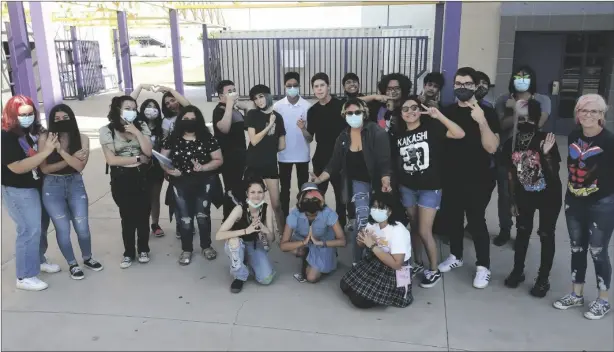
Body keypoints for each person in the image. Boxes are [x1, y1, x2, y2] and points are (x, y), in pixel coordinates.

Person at [391, 96, 465, 288]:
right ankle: (418, 263)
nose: (410, 112)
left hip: (429, 188)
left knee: (424, 230)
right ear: (400, 114)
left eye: (414, 107)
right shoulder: (398, 135)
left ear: (420, 109)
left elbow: (459, 134)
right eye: (405, 109)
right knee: (414, 229)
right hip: (407, 188)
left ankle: (433, 269)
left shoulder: (432, 128)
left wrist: (439, 116)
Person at [437, 67, 500, 289]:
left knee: (476, 221)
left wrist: (481, 121)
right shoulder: (447, 111)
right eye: (458, 83)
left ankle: (483, 266)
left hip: (479, 177)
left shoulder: (488, 112)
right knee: (453, 218)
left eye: (467, 84)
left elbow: (492, 147)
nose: (462, 87)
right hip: (452, 176)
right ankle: (456, 255)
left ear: (476, 86)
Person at [554, 94, 614, 320]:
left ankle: (603, 299)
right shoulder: (573, 136)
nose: (589, 115)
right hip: (574, 201)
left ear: (602, 115)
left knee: (598, 251)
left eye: (595, 112)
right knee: (577, 248)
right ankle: (576, 293)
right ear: (577, 114)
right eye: (584, 111)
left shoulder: (609, 141)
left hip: (602, 204)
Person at [312, 98, 392, 265]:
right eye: (350, 113)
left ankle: (384, 258)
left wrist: (386, 179)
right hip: (358, 184)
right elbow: (334, 163)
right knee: (361, 220)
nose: (354, 115)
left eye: (357, 112)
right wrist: (319, 178)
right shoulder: (343, 137)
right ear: (344, 115)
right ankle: (359, 261)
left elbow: (385, 161)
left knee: (381, 220)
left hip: (379, 183)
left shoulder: (376, 132)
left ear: (364, 113)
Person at [502, 100, 561, 298]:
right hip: (524, 195)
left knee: (546, 234)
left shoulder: (546, 138)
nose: (525, 121)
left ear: (537, 119)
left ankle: (543, 278)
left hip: (548, 196)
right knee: (522, 231)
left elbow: (554, 175)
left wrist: (546, 155)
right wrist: (512, 200)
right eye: (521, 117)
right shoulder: (512, 142)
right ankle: (518, 271)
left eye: (529, 117)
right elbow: (510, 173)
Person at [1, 95, 61, 291]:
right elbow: (17, 167)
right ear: (12, 115)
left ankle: (37, 260)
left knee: (40, 227)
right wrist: (45, 152)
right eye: (22, 115)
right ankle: (25, 275)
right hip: (18, 190)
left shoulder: (30, 131)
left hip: (35, 186)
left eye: (30, 113)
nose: (27, 117)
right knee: (28, 229)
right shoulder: (6, 136)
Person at [39, 104, 104, 280]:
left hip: (75, 184)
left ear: (71, 118)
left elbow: (80, 166)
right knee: (63, 229)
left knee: (82, 227)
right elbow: (44, 169)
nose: (61, 121)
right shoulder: (45, 137)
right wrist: (71, 159)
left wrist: (60, 151)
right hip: (52, 187)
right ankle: (72, 264)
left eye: (65, 117)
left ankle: (87, 257)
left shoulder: (82, 138)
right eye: (57, 119)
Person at [493, 65, 552, 246]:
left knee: (525, 194)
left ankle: (522, 232)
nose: (522, 80)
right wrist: (519, 110)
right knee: (505, 195)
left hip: (530, 156)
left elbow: (538, 123)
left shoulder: (543, 100)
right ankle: (505, 229)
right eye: (518, 77)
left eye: (525, 77)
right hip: (506, 154)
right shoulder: (504, 100)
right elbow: (501, 125)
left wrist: (519, 107)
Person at [160, 106, 223, 264]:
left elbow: (218, 160)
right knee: (185, 219)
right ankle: (186, 249)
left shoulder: (207, 138)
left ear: (199, 121)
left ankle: (206, 246)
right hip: (180, 185)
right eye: (186, 119)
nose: (189, 123)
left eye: (193, 120)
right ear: (180, 120)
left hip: (203, 183)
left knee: (203, 217)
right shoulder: (172, 139)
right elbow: (162, 159)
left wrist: (203, 167)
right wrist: (170, 170)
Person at [99, 95, 153, 269]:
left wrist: (137, 132)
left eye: (134, 108)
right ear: (117, 109)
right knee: (127, 216)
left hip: (142, 176)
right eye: (127, 108)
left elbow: (149, 152)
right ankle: (129, 252)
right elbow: (112, 160)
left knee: (144, 214)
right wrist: (137, 158)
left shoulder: (141, 126)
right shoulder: (107, 130)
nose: (131, 111)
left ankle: (143, 248)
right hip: (121, 178)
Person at [340, 192, 413, 309]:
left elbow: (397, 264)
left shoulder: (398, 231)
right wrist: (362, 239)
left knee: (359, 300)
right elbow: (361, 245)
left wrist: (373, 246)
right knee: (345, 285)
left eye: (381, 208)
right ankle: (369, 290)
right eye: (374, 207)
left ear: (390, 211)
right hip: (375, 260)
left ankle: (379, 295)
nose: (376, 210)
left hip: (392, 270)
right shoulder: (372, 224)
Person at [216, 178, 276, 293]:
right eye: (252, 192)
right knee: (234, 242)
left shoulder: (267, 208)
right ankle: (239, 276)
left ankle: (248, 262)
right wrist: (245, 231)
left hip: (254, 244)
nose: (256, 196)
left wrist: (265, 229)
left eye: (260, 192)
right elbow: (219, 235)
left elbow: (271, 239)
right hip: (238, 243)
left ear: (264, 194)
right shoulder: (239, 209)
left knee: (266, 279)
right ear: (247, 194)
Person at [305, 73, 349, 229]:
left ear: (328, 86)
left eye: (322, 85)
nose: (319, 89)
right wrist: (302, 129)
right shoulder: (313, 111)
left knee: (341, 197)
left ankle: (341, 227)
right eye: (316, 86)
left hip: (340, 158)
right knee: (318, 196)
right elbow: (310, 138)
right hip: (321, 158)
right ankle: (320, 225)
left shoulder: (341, 106)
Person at [280, 182, 346, 283]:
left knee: (311, 278)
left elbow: (342, 241)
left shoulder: (328, 213)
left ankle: (328, 256)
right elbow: (283, 246)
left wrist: (321, 243)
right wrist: (303, 242)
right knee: (295, 249)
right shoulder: (294, 214)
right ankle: (306, 254)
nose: (311, 202)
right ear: (301, 200)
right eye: (307, 199)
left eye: (314, 198)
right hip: (302, 241)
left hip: (322, 243)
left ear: (321, 200)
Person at [244, 84, 287, 235]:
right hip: (253, 163)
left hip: (270, 165)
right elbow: (254, 140)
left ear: (268, 96)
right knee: (254, 202)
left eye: (261, 96)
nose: (258, 101)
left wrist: (270, 148)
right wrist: (269, 127)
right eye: (255, 98)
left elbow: (282, 145)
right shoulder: (252, 115)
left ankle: (282, 232)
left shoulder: (278, 117)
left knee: (276, 204)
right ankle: (255, 232)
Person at [274, 72, 312, 219]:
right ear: (284, 86)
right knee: (285, 189)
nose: (292, 88)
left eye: (295, 85)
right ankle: (284, 219)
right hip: (284, 154)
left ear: (299, 86)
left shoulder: (307, 106)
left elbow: (310, 137)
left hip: (302, 154)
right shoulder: (278, 106)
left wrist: (303, 128)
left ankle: (302, 215)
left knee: (303, 188)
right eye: (289, 85)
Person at [212, 80, 247, 221]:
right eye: (229, 91)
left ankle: (241, 220)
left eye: (234, 90)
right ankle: (228, 222)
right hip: (228, 159)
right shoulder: (219, 111)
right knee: (231, 191)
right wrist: (229, 105)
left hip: (241, 157)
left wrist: (246, 109)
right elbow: (224, 128)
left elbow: (248, 126)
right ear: (221, 96)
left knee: (241, 190)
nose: (233, 93)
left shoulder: (235, 109)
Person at [139, 98, 166, 237]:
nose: (151, 109)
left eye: (154, 106)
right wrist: (141, 87)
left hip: (157, 168)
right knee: (142, 198)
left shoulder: (162, 127)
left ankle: (155, 224)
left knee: (155, 197)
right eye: (148, 106)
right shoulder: (137, 126)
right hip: (140, 167)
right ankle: (142, 223)